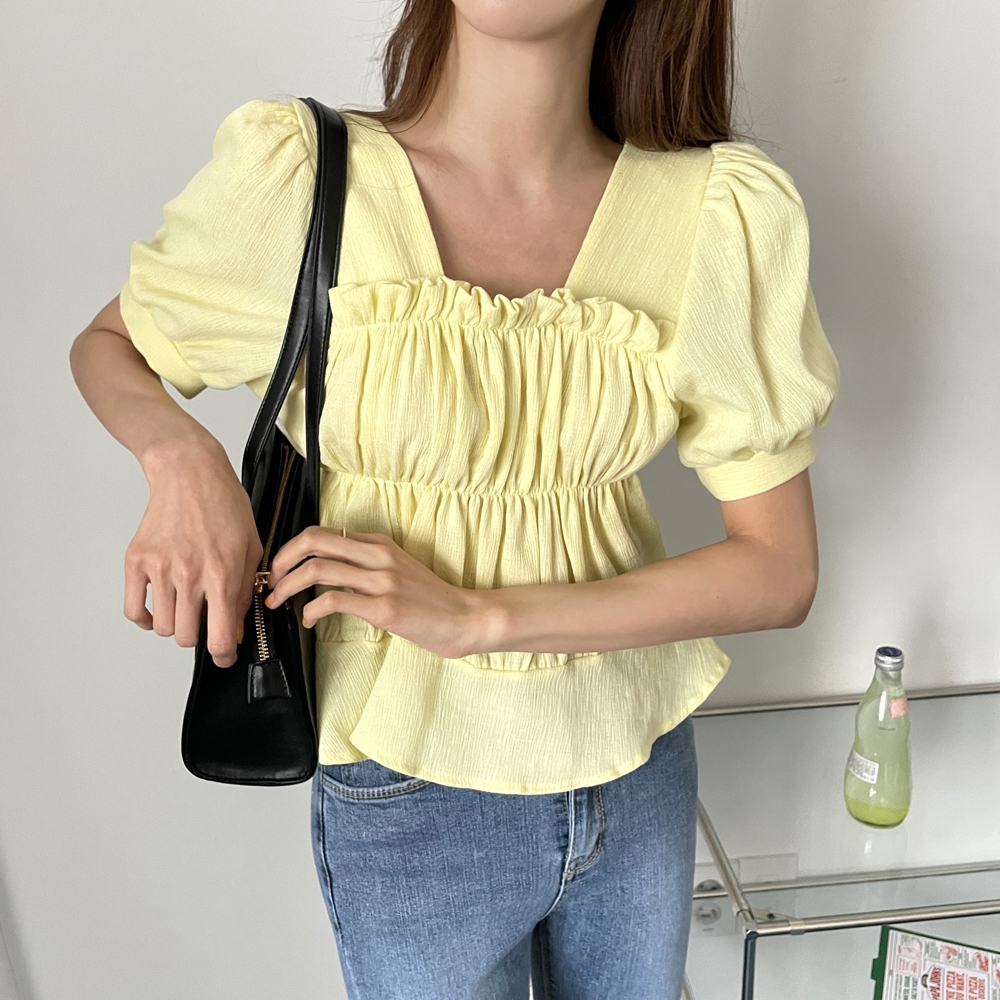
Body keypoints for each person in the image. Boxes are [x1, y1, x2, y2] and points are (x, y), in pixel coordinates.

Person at [70, 0, 840, 996]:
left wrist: (480, 617)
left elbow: (780, 569)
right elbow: (112, 346)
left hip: (636, 761)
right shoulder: (303, 178)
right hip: (412, 785)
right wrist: (187, 462)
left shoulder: (715, 214)